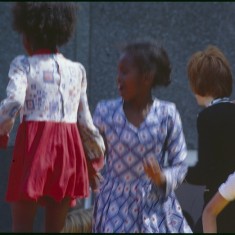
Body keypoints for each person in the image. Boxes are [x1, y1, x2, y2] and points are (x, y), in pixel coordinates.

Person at [0, 2, 105, 232]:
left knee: (21, 226)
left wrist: (2, 129)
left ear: (27, 34)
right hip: (68, 150)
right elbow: (85, 121)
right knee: (55, 229)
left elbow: (15, 102)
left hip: (32, 147)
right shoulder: (77, 70)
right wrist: (95, 156)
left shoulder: (23, 64)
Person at [92, 39, 192, 233]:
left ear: (147, 77)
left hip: (156, 207)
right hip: (116, 206)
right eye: (118, 70)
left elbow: (180, 164)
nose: (118, 77)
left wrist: (162, 177)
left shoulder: (167, 114)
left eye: (125, 71)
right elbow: (88, 149)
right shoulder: (105, 112)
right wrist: (89, 171)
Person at [186, 45, 235, 232]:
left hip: (219, 207)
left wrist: (177, 175)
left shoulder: (206, 117)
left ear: (198, 86)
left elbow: (205, 170)